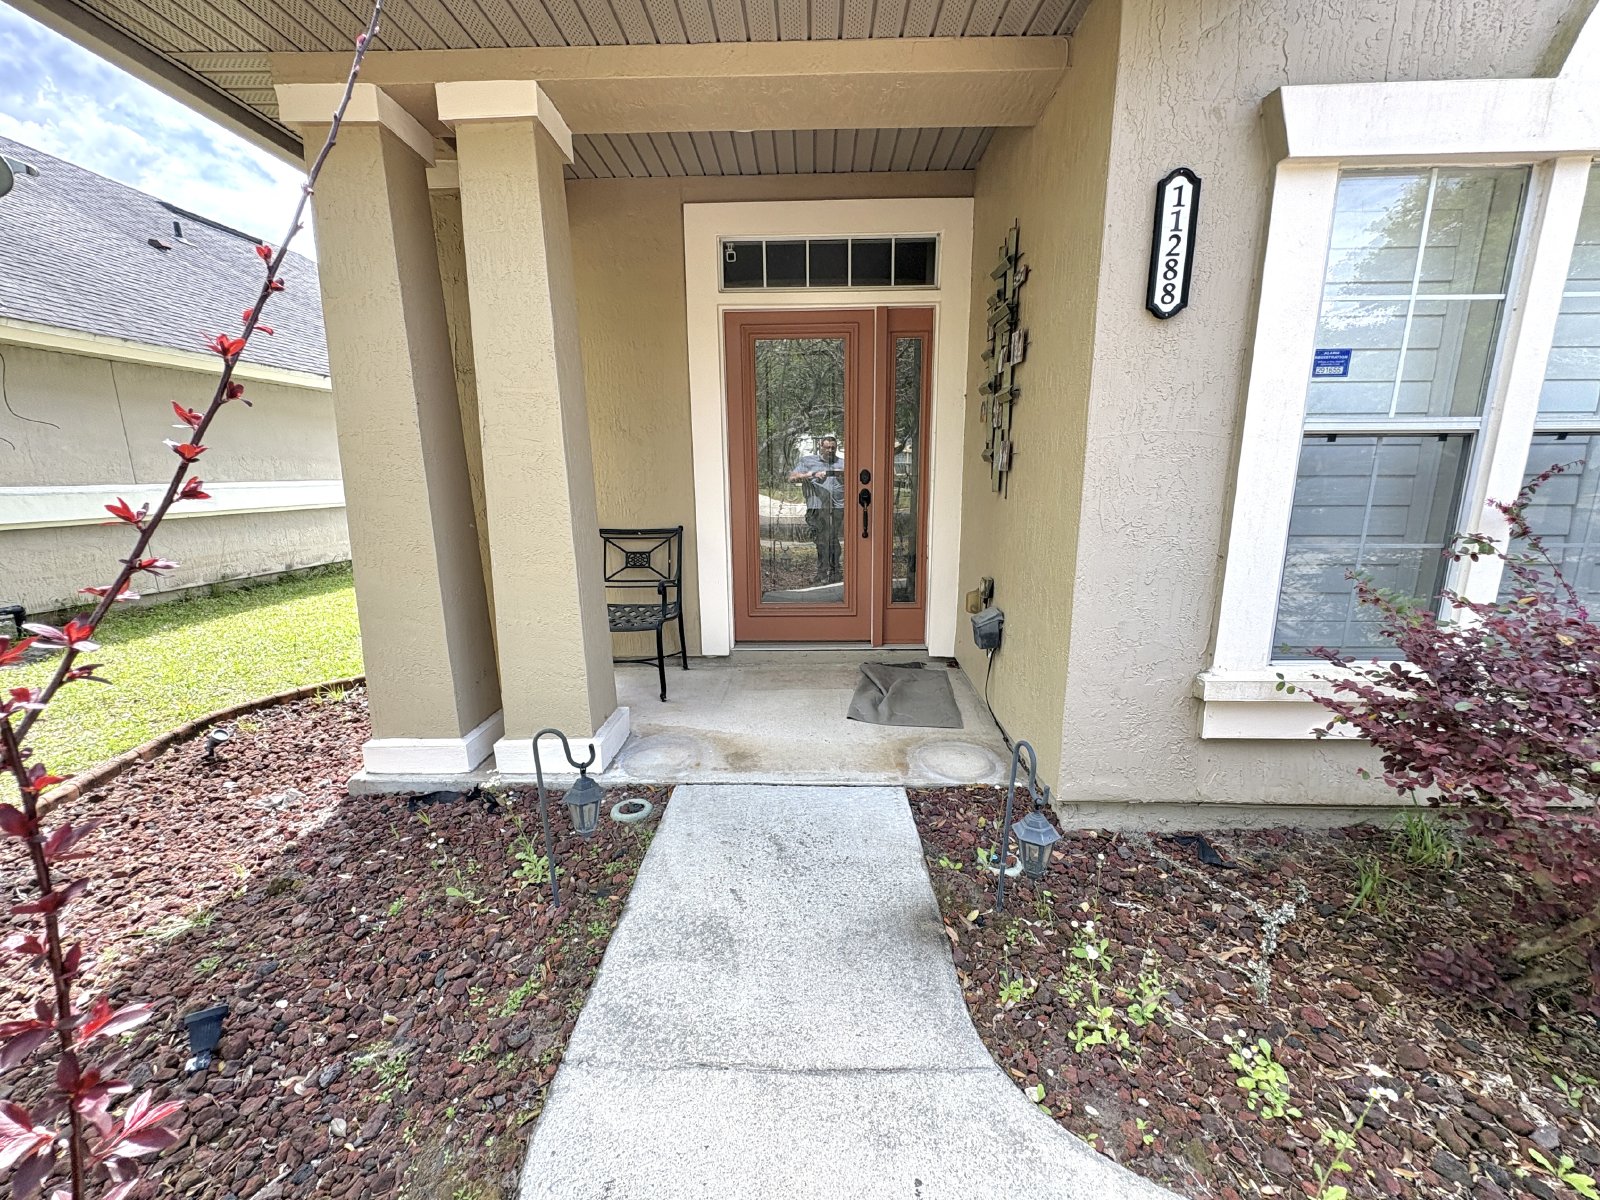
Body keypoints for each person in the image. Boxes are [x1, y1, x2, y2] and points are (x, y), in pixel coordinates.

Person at [789, 434, 845, 584]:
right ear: (821, 447)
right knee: (821, 540)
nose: (830, 451)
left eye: (833, 448)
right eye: (827, 448)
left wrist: (844, 476)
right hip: (817, 507)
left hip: (838, 506)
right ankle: (821, 573)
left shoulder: (843, 463)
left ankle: (835, 572)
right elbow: (792, 477)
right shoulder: (808, 461)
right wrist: (812, 474)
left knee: (833, 539)